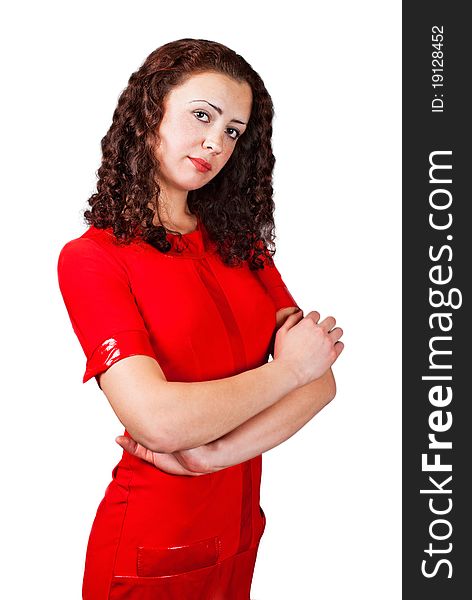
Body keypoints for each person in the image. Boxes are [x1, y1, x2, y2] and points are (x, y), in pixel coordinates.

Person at [57, 38, 344, 600]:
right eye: (201, 115)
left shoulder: (244, 249)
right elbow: (157, 420)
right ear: (150, 115)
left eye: (234, 130)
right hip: (152, 548)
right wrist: (286, 372)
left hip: (238, 535)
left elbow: (323, 380)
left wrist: (213, 454)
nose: (216, 141)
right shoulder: (93, 259)